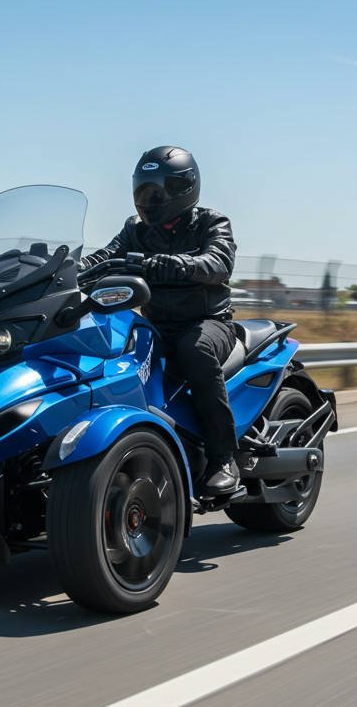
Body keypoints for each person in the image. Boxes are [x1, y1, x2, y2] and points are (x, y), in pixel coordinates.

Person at [80, 146, 242, 495]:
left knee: (194, 350)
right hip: (156, 325)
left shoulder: (212, 222)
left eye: (157, 191)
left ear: (183, 188)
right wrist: (72, 269)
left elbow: (219, 262)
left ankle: (224, 457)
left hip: (208, 322)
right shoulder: (135, 230)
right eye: (143, 191)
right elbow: (106, 255)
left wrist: (180, 263)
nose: (150, 199)